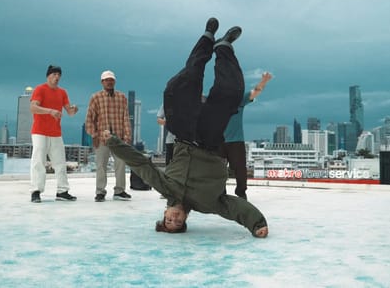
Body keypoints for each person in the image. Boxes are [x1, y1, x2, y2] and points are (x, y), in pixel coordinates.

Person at [103, 18, 268, 238]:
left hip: (184, 133)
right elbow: (234, 208)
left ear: (165, 212)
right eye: (177, 223)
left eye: (168, 220)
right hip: (210, 142)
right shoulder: (208, 203)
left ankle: (207, 37)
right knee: (231, 92)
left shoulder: (165, 187)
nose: (174, 218)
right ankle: (224, 46)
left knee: (180, 84)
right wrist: (257, 224)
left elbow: (140, 163)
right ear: (185, 220)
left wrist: (113, 141)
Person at [29, 65, 79, 203]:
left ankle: (62, 191)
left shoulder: (62, 92)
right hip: (39, 131)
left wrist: (74, 110)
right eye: (54, 74)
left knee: (60, 162)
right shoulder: (40, 89)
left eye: (59, 75)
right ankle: (36, 191)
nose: (57, 77)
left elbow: (69, 112)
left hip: (56, 133)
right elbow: (33, 107)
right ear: (48, 76)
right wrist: (50, 111)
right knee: (39, 161)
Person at [222, 71, 273, 200]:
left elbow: (255, 91)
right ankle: (220, 193)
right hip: (218, 141)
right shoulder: (215, 100)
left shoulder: (239, 99)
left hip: (236, 141)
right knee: (218, 170)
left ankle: (241, 193)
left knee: (240, 169)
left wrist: (264, 81)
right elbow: (198, 98)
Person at [85, 70, 133, 202]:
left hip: (118, 137)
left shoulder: (121, 97)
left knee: (121, 163)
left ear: (114, 81)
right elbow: (89, 118)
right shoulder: (96, 97)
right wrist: (94, 134)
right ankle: (100, 191)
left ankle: (120, 190)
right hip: (101, 137)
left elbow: (125, 118)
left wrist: (127, 136)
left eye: (111, 80)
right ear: (102, 82)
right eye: (106, 80)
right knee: (101, 165)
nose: (109, 82)